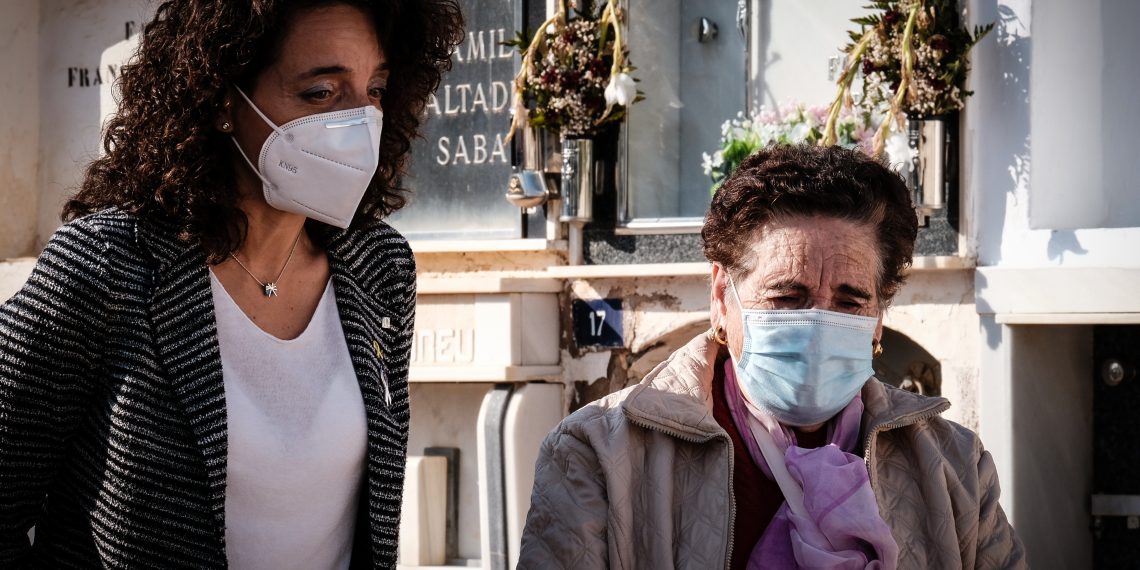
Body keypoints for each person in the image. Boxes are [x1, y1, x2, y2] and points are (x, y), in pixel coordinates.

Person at [0, 1, 463, 568]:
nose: (358, 121)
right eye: (320, 93)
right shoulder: (106, 265)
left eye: (375, 89)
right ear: (222, 97)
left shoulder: (380, 268)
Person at [518, 145, 1026, 569]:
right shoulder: (598, 455)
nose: (818, 322)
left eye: (849, 301)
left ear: (878, 317)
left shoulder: (953, 466)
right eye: (786, 297)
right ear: (722, 297)